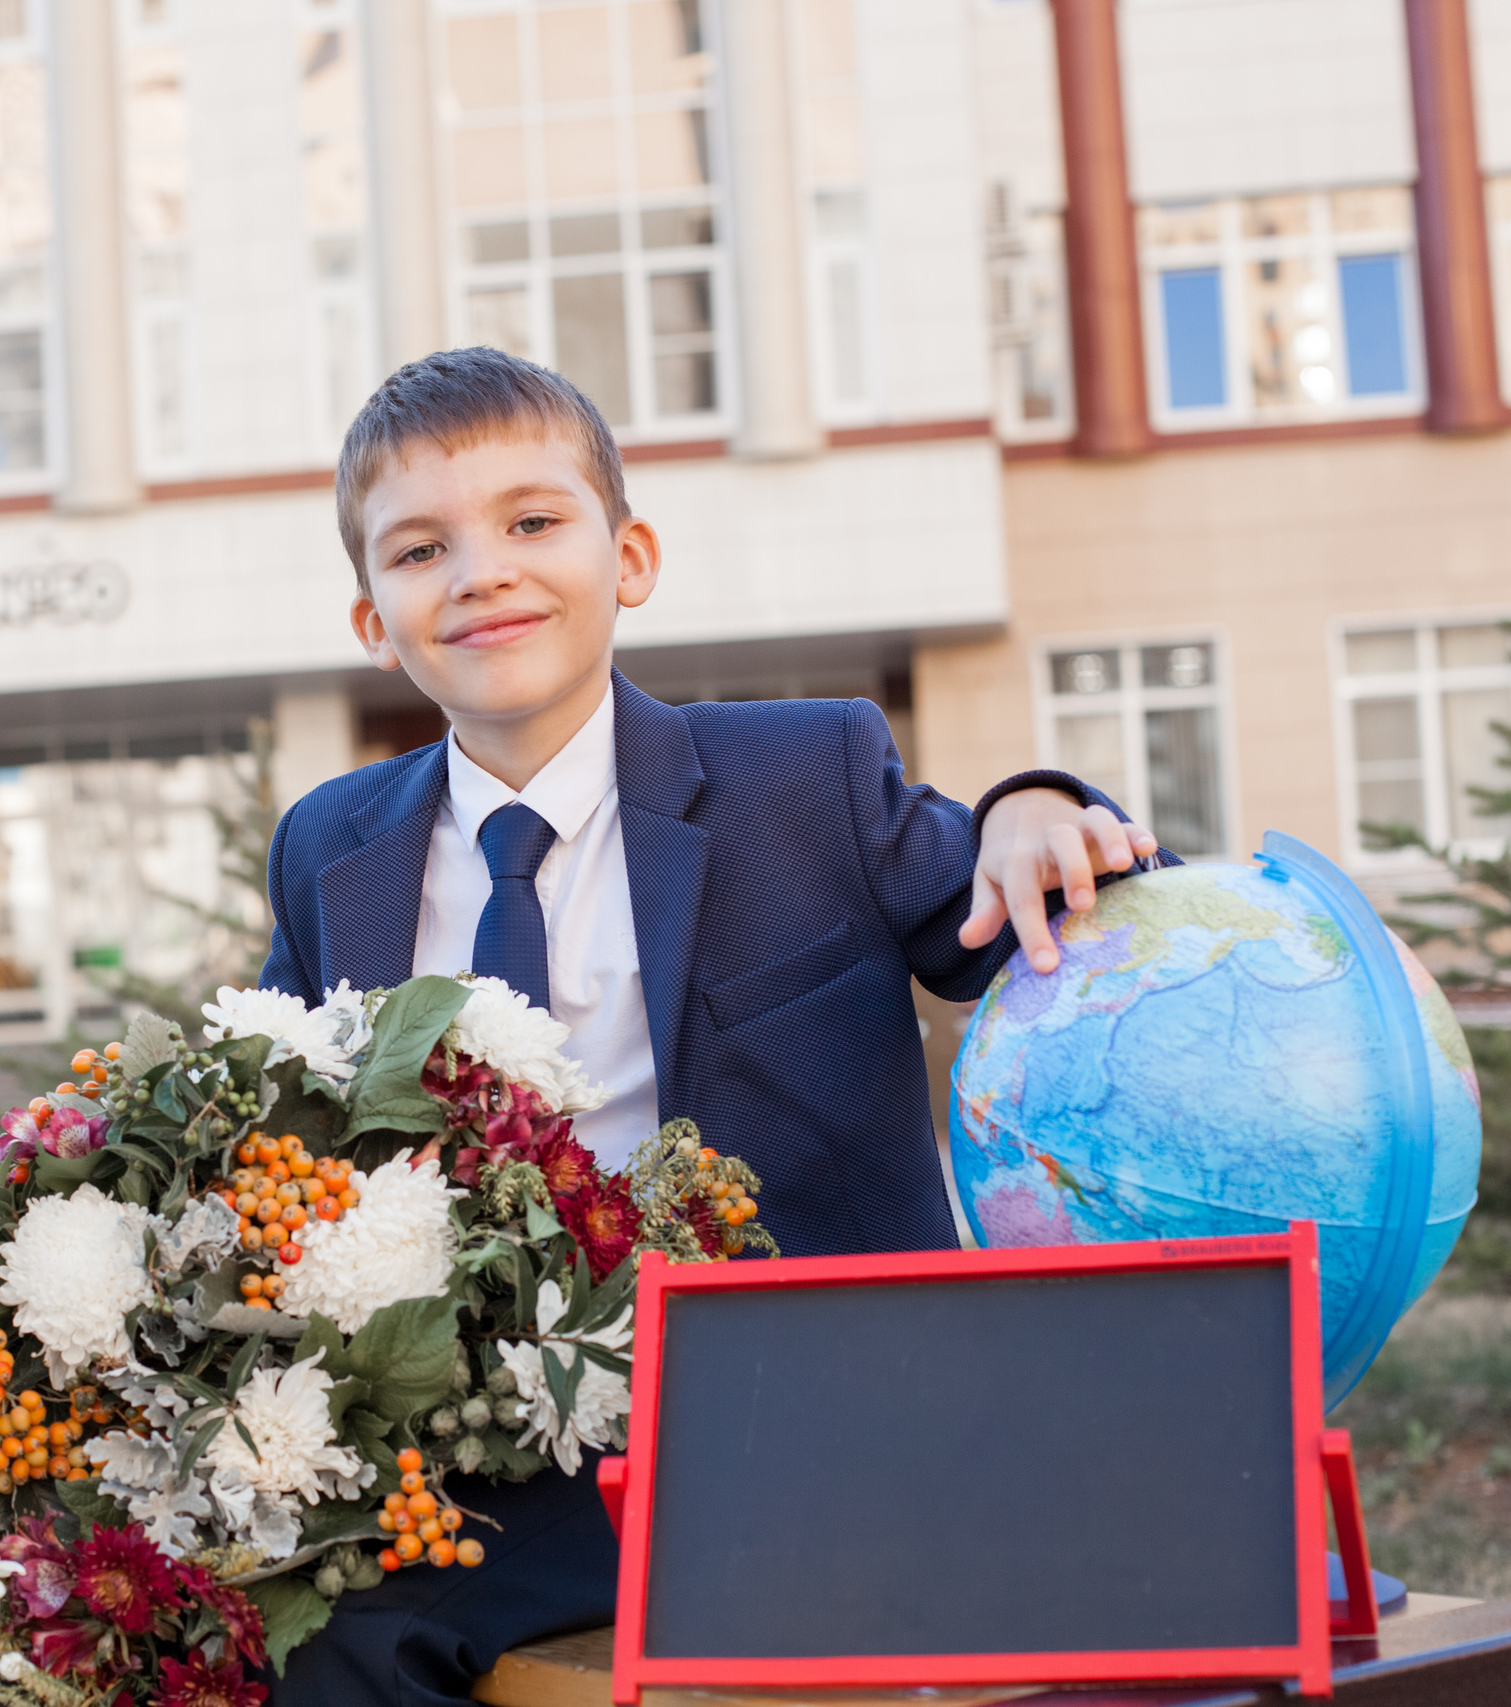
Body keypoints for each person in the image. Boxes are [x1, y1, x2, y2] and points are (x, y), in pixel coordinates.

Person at [256, 347, 1168, 1705]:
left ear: (628, 558)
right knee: (299, 1624)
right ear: (373, 621)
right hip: (502, 1452)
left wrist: (1036, 807)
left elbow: (998, 909)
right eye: (420, 549)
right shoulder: (336, 847)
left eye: (531, 523)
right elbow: (271, 1130)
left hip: (813, 1421)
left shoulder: (807, 778)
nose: (481, 572)